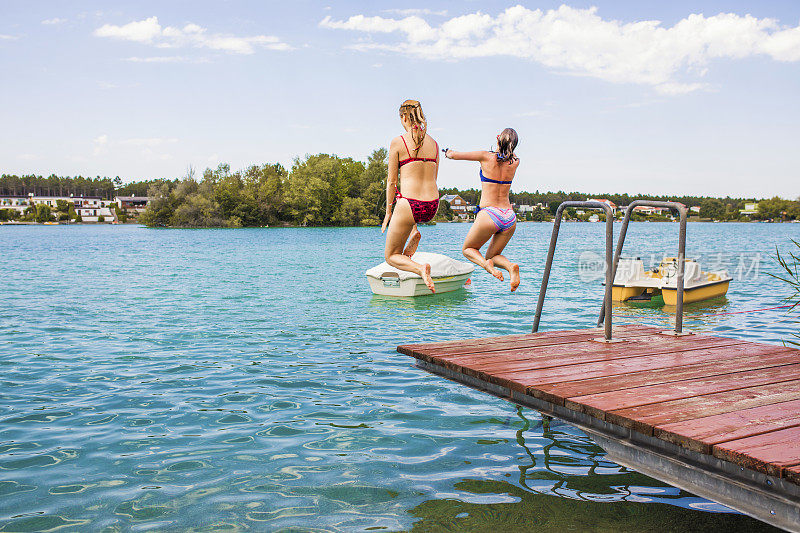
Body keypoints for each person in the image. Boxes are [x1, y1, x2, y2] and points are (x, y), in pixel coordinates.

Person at [444, 128, 521, 291]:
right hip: (509, 216)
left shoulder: (485, 156)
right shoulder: (515, 162)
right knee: (494, 255)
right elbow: (507, 155)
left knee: (468, 249)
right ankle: (510, 266)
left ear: (498, 138)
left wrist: (448, 152)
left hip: (490, 213)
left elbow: (455, 155)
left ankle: (486, 266)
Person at [381, 100, 440, 293]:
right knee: (405, 201)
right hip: (432, 205)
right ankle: (413, 231)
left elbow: (391, 182)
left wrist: (388, 212)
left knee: (391, 255)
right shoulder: (435, 144)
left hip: (410, 205)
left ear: (403, 117)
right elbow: (434, 177)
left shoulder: (398, 141)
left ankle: (420, 269)